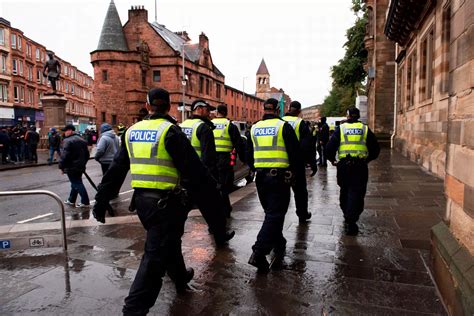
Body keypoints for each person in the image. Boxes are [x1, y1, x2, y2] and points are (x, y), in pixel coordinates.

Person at [92, 88, 232, 315]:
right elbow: (196, 172)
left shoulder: (131, 131)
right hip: (167, 204)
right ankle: (134, 309)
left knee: (169, 241)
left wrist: (101, 200)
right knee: (154, 259)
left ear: (147, 106)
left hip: (143, 205)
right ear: (169, 107)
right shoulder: (171, 132)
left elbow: (116, 171)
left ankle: (179, 276)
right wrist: (214, 195)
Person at [246, 98, 303, 272]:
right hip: (278, 178)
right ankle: (259, 252)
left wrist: (254, 168)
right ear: (278, 109)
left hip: (261, 178)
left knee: (271, 213)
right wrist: (296, 175)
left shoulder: (254, 128)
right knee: (275, 214)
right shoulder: (283, 126)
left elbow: (248, 153)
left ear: (264, 109)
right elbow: (295, 154)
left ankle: (279, 243)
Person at [181, 100, 234, 241]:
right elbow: (208, 157)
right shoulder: (203, 127)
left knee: (181, 211)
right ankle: (220, 235)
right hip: (199, 176)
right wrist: (212, 179)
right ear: (198, 109)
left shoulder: (182, 126)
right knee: (214, 208)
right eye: (206, 109)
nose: (209, 112)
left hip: (183, 176)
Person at [325, 107, 380, 235]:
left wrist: (332, 160)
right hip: (360, 165)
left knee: (345, 189)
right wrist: (367, 159)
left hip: (344, 165)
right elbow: (375, 149)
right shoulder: (365, 129)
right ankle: (352, 218)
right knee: (358, 192)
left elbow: (330, 147)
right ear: (358, 116)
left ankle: (347, 213)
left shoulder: (341, 129)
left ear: (348, 116)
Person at [283, 101, 317, 223]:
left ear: (288, 108)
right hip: (296, 163)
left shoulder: (280, 121)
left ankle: (277, 215)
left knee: (281, 191)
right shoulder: (300, 123)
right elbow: (307, 146)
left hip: (281, 162)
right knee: (300, 191)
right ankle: (302, 214)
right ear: (299, 111)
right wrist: (312, 163)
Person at [211, 104, 244, 217]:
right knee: (225, 187)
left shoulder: (209, 125)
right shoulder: (230, 125)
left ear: (216, 112)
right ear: (226, 113)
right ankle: (225, 210)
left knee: (214, 186)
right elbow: (238, 144)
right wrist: (244, 159)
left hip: (211, 159)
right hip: (224, 159)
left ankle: (218, 209)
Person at [59, 124, 90, 208]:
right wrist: (83, 163)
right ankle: (71, 200)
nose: (64, 133)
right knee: (75, 183)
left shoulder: (67, 141)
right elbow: (87, 155)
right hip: (80, 166)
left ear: (70, 131)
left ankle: (85, 201)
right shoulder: (82, 140)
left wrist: (61, 166)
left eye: (65, 131)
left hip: (71, 166)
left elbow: (64, 155)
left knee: (77, 183)